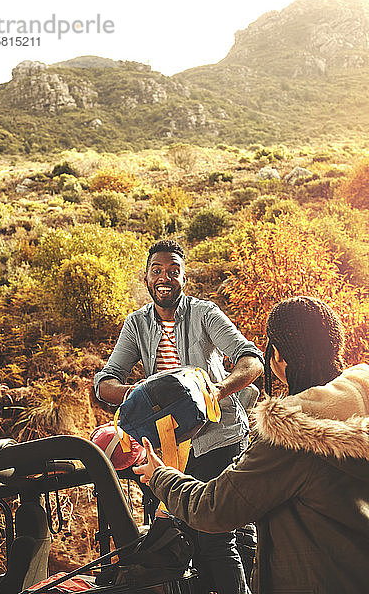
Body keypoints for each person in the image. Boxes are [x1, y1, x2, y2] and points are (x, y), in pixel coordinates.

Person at [134, 296, 369, 594]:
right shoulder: (360, 403)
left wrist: (160, 475)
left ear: (280, 356)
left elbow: (215, 508)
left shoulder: (291, 436)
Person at [94, 239, 264, 594]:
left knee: (216, 539)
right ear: (146, 278)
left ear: (184, 277)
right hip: (165, 452)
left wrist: (215, 391)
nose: (165, 278)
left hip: (219, 440)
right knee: (171, 545)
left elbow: (251, 361)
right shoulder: (137, 324)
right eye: (157, 271)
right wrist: (144, 395)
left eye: (173, 271)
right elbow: (105, 382)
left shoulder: (205, 314)